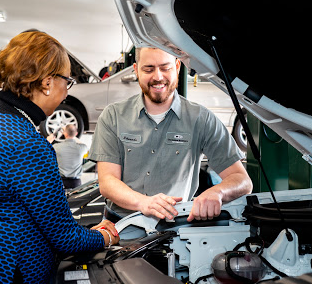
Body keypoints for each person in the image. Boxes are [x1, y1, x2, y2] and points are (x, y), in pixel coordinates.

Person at [0, 30, 119, 284]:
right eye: (68, 81)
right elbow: (65, 238)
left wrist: (83, 233)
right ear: (48, 82)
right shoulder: (28, 145)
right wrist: (104, 237)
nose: (66, 91)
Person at [88, 47, 253, 223]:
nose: (158, 77)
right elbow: (107, 181)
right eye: (148, 69)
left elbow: (242, 180)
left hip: (177, 233)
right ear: (136, 70)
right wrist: (144, 202)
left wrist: (218, 192)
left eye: (165, 68)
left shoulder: (201, 119)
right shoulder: (113, 116)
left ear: (177, 66)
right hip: (121, 227)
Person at [48, 124, 89, 189]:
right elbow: (86, 146)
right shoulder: (81, 148)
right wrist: (73, 135)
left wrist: (50, 138)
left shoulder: (57, 147)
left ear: (64, 133)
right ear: (76, 133)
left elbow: (44, 148)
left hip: (61, 182)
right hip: (76, 183)